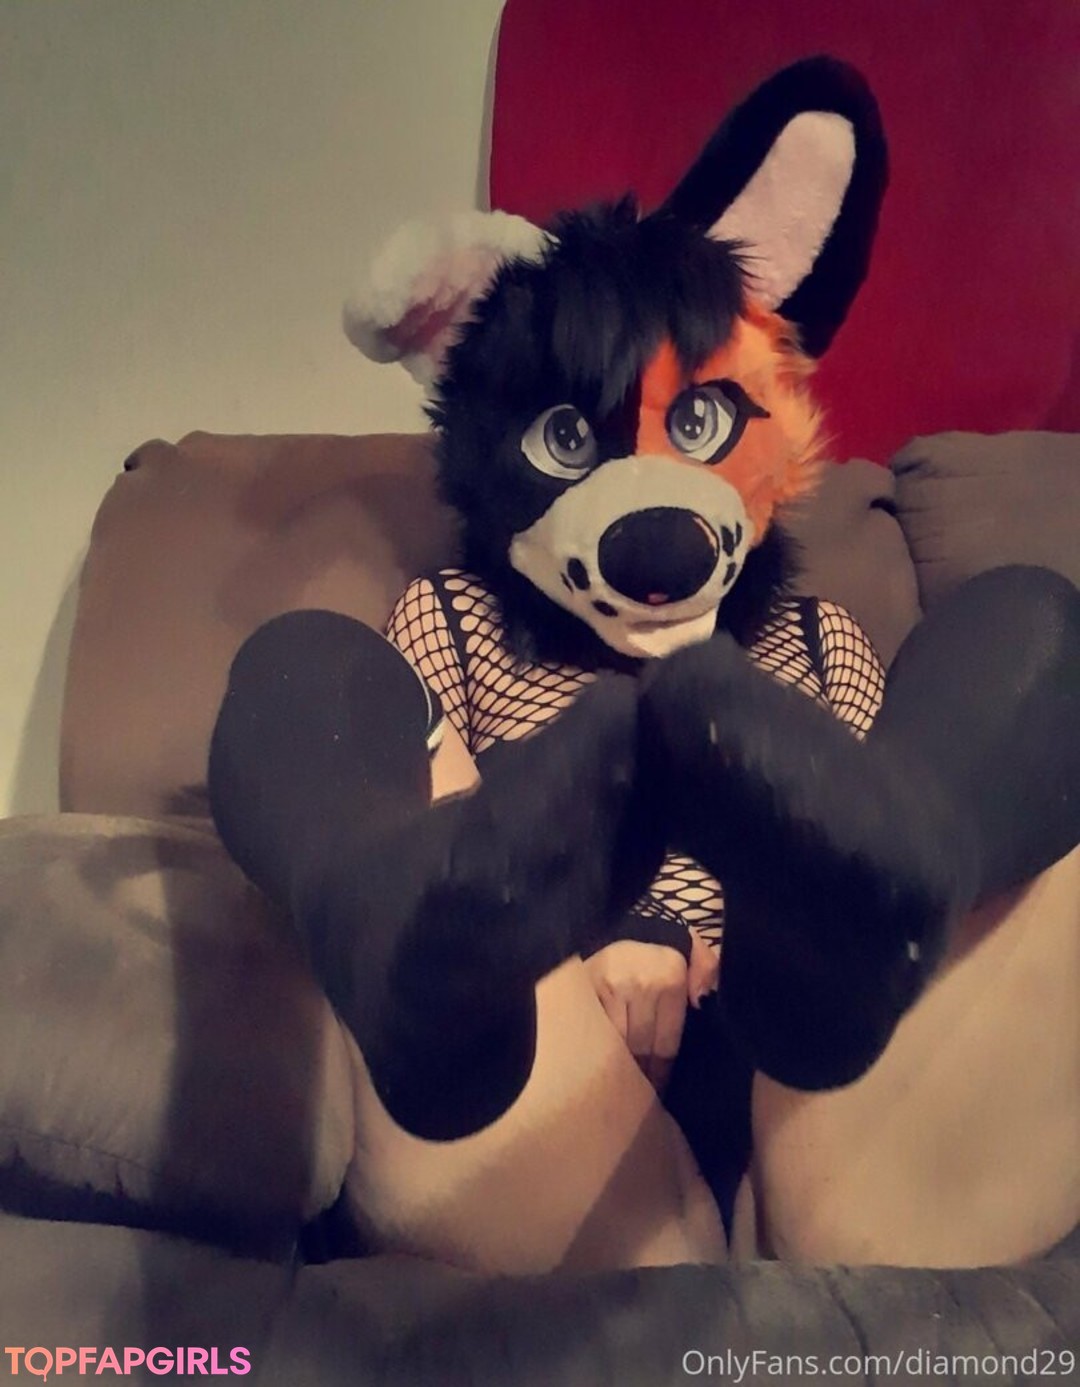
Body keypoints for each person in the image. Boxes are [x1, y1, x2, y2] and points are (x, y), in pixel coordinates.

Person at [208, 563, 1079, 1271]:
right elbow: (415, 797)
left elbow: (877, 872)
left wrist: (763, 926)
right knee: (306, 658)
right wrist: (600, 930)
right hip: (545, 1079)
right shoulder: (459, 619)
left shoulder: (820, 635)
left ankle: (827, 927)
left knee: (1026, 616)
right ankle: (390, 933)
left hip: (821, 1082)